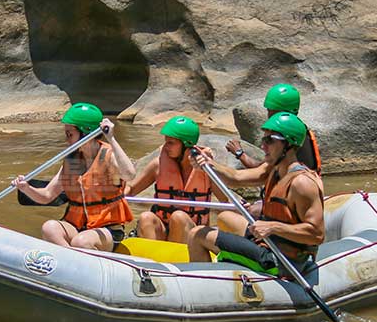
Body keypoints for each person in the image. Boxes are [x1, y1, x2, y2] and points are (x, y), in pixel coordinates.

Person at [187, 112, 325, 275]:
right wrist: (209, 164)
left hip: (281, 259)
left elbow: (317, 235)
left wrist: (273, 227)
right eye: (263, 140)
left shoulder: (302, 183)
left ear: (288, 144)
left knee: (197, 234)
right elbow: (236, 178)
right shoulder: (274, 169)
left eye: (269, 140)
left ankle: (205, 290)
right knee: (226, 218)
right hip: (267, 242)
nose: (263, 146)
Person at [13, 103, 135, 251]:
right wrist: (26, 188)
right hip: (77, 226)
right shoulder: (72, 160)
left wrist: (112, 139)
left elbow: (129, 174)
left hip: (107, 229)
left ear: (86, 133)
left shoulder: (109, 156)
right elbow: (46, 196)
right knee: (49, 228)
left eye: (70, 134)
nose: (67, 139)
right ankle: (70, 262)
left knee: (81, 242)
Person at [218, 83, 322, 232]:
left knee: (242, 213)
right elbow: (263, 170)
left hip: (294, 202)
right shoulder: (295, 135)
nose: (269, 117)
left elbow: (258, 173)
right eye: (269, 112)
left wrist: (240, 154)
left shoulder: (289, 141)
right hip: (287, 198)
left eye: (273, 112)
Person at [125, 116, 228, 243]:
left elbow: (225, 201)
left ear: (186, 145)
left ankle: (176, 258)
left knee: (178, 217)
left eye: (171, 143)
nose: (165, 146)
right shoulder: (158, 165)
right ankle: (152, 258)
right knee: (146, 217)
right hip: (163, 227)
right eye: (166, 141)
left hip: (193, 233)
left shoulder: (205, 169)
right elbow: (132, 189)